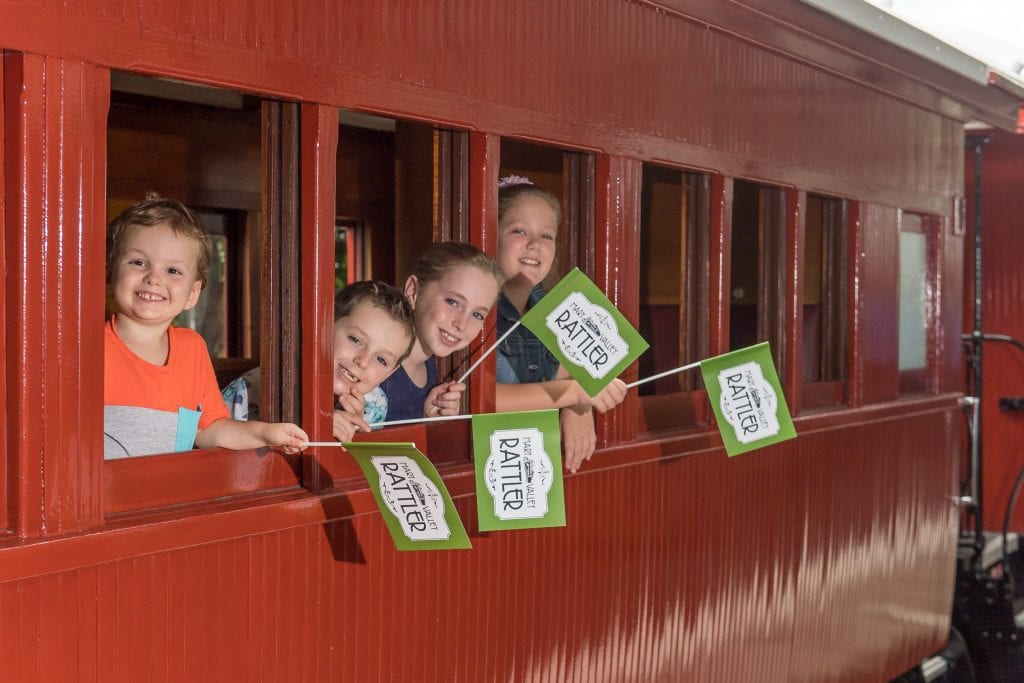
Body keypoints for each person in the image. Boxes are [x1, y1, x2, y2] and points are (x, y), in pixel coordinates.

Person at [104, 194, 309, 458]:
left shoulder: (192, 348)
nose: (153, 277)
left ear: (193, 293)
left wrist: (265, 433)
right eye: (138, 262)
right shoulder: (87, 348)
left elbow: (210, 429)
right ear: (110, 275)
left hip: (168, 496)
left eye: (173, 271)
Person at [493, 177, 628, 473]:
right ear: (492, 237)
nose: (534, 244)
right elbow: (481, 397)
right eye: (518, 230)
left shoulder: (559, 310)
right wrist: (576, 395)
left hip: (535, 466)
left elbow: (575, 372)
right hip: (486, 461)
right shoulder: (478, 308)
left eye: (546, 236)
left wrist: (578, 407)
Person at [222, 280, 416, 442]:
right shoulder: (253, 388)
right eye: (355, 340)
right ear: (324, 327)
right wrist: (316, 427)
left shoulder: (376, 403)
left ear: (390, 373)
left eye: (381, 359)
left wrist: (354, 436)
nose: (363, 361)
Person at [370, 241, 503, 422]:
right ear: (413, 290)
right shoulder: (371, 360)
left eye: (477, 314)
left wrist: (425, 417)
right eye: (452, 302)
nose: (462, 324)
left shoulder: (430, 368)